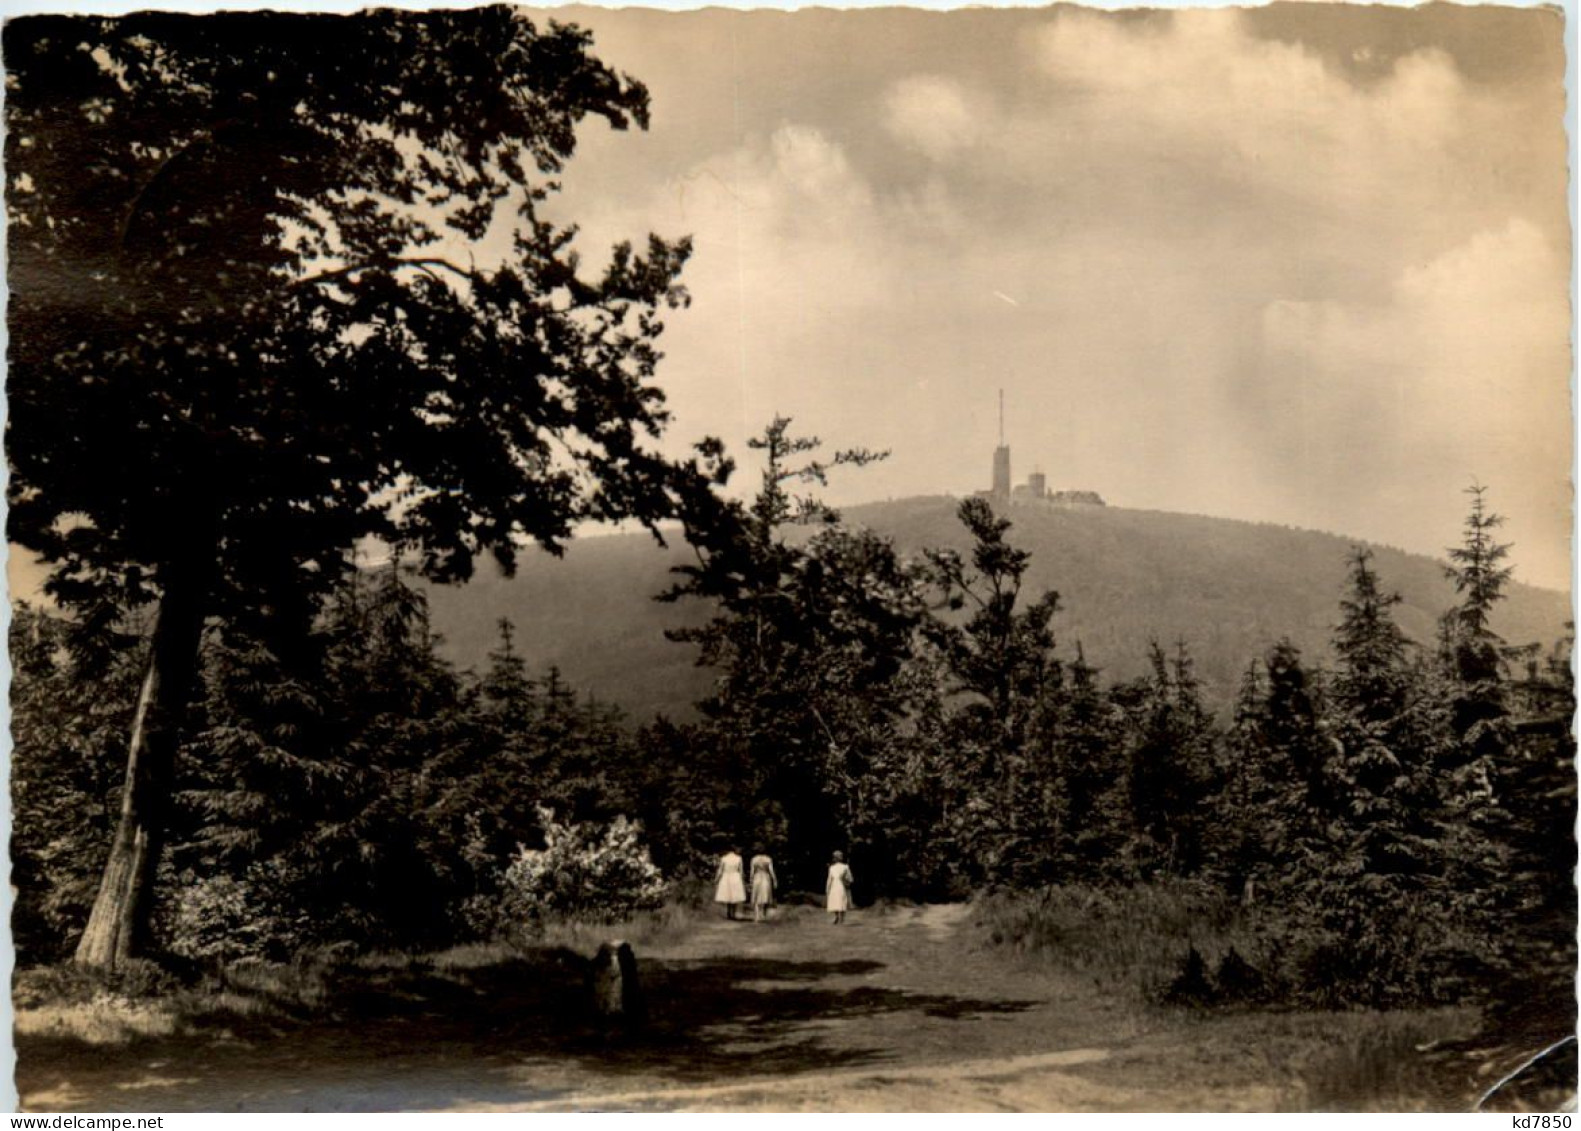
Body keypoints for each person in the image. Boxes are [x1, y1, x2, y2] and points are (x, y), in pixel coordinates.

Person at [714, 846, 747, 920]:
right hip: (735, 876)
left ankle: (729, 912)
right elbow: (741, 871)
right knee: (734, 895)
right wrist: (742, 880)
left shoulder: (724, 858)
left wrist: (716, 879)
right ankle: (733, 912)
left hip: (726, 876)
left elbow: (720, 870)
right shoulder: (739, 858)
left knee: (728, 895)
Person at [825, 851, 853, 925]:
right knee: (840, 901)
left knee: (838, 901)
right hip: (839, 886)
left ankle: (838, 917)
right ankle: (839, 917)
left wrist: (827, 888)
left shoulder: (835, 868)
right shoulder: (841, 867)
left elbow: (829, 880)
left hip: (836, 886)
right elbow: (850, 879)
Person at [749, 851, 777, 922]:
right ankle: (764, 913)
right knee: (766, 896)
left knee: (756, 896)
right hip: (765, 878)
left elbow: (752, 871)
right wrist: (774, 880)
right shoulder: (768, 859)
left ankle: (757, 916)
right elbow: (771, 870)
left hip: (757, 877)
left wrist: (751, 880)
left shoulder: (754, 859)